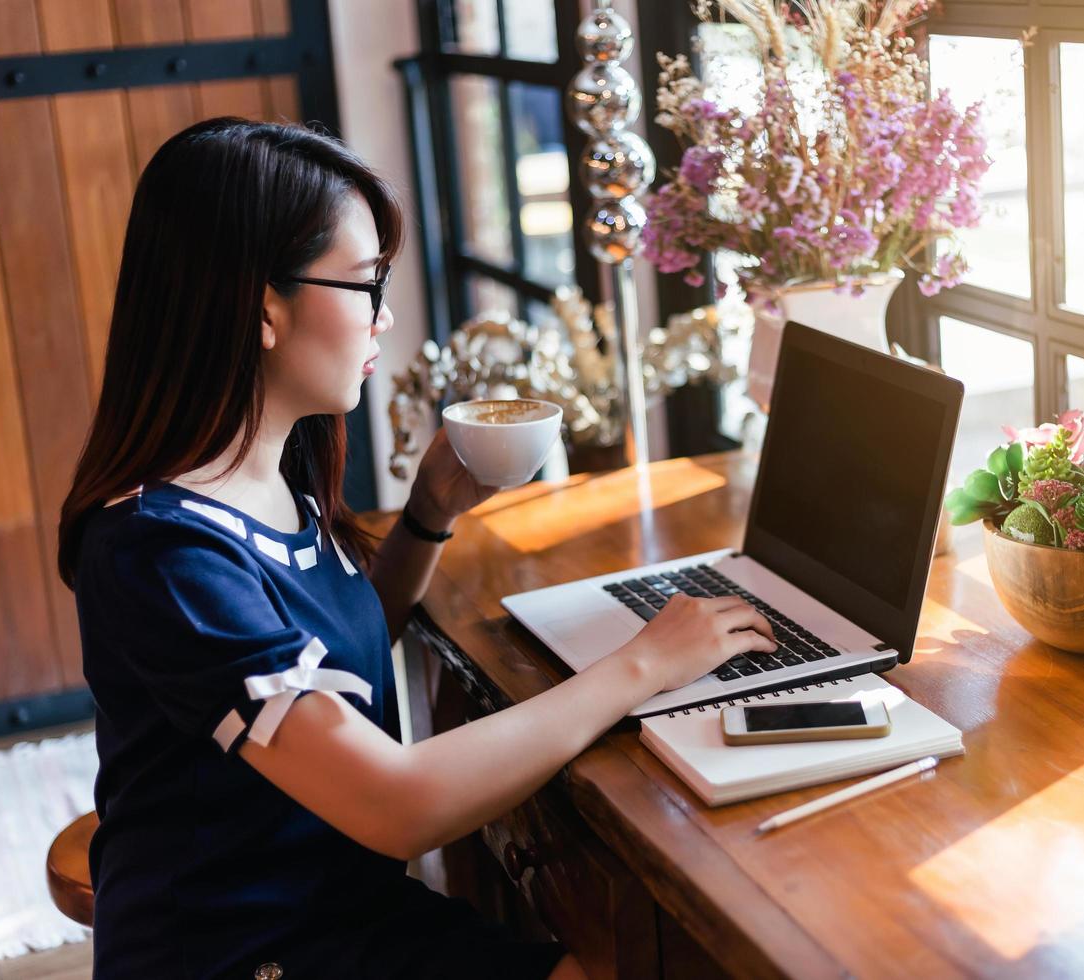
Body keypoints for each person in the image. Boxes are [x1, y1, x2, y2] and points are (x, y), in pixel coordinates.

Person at [56, 117, 778, 979]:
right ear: (262, 309)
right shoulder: (161, 552)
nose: (386, 314)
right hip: (248, 953)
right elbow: (396, 803)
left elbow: (325, 663)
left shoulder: (269, 472)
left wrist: (430, 513)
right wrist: (639, 667)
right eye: (364, 283)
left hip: (340, 914)